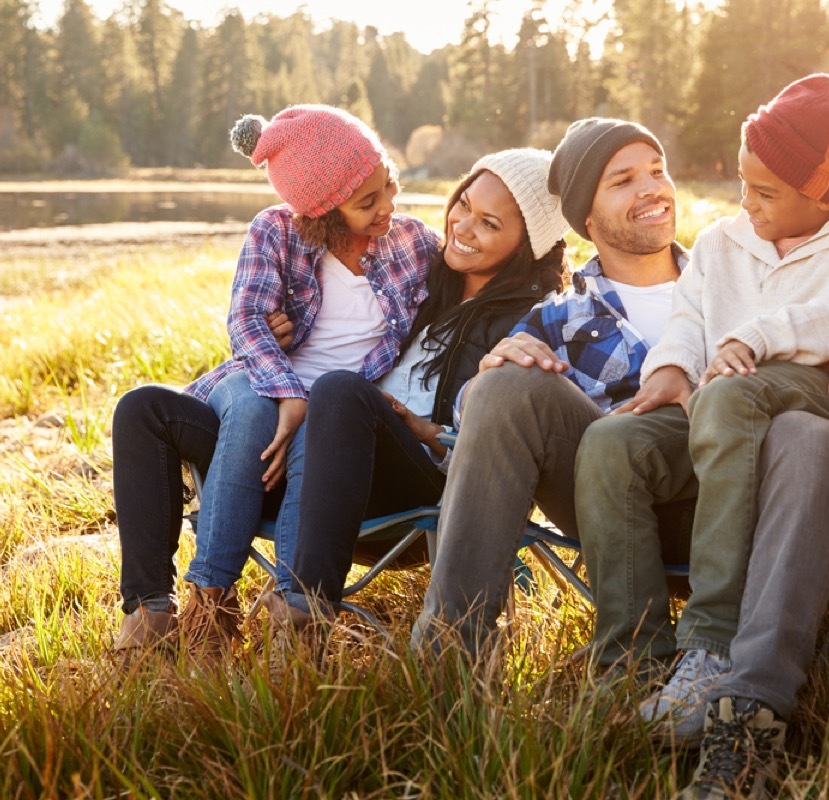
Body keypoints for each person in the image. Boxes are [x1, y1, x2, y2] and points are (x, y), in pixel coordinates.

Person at [582, 75, 829, 800]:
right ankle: (636, 670)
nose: (746, 204)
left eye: (766, 193)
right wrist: (671, 367)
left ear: (825, 192)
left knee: (736, 399)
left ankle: (715, 645)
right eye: (743, 185)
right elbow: (692, 321)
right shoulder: (726, 241)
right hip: (729, 405)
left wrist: (752, 340)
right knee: (612, 443)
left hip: (820, 405)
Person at [110, 105, 439, 661]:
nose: (387, 207)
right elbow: (245, 322)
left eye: (390, 186)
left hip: (333, 429)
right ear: (322, 211)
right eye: (367, 202)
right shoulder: (276, 231)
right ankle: (153, 614)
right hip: (260, 396)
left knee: (316, 410)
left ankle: (245, 610)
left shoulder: (412, 243)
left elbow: (486, 270)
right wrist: (287, 389)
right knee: (145, 408)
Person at [251, 149, 569, 632]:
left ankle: (303, 613)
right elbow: (339, 308)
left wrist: (427, 431)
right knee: (203, 411)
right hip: (342, 453)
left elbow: (519, 440)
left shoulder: (537, 319)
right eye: (463, 203)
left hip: (432, 483)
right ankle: (201, 607)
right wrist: (285, 328)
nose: (461, 226)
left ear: (528, 244)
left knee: (342, 391)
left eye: (488, 223)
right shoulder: (426, 270)